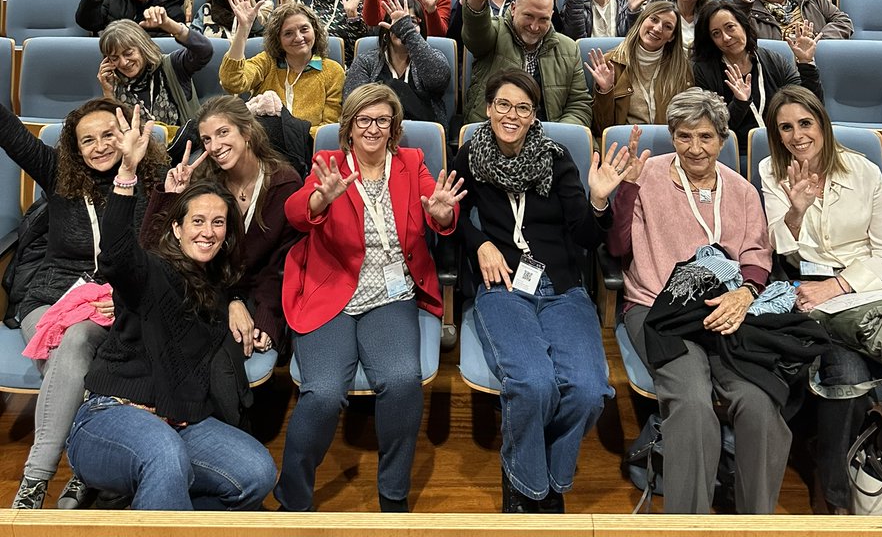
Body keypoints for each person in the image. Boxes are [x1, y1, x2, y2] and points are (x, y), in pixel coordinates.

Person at [66, 113, 277, 511]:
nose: (207, 231)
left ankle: (149, 504)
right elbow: (116, 254)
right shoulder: (152, 271)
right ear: (177, 229)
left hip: (178, 423)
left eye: (218, 223)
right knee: (164, 455)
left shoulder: (219, 291)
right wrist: (127, 171)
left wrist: (234, 300)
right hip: (108, 415)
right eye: (197, 221)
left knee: (257, 472)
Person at [609, 89, 799, 515]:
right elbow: (618, 245)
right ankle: (689, 523)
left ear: (723, 139)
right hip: (658, 309)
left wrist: (744, 293)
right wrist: (627, 189)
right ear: (672, 136)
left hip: (727, 308)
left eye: (706, 137)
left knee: (759, 405)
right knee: (693, 405)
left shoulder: (742, 190)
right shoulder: (648, 174)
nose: (695, 148)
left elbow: (756, 254)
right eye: (684, 136)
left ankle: (755, 523)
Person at [276, 83, 464, 512]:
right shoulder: (329, 163)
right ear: (349, 126)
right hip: (333, 290)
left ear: (395, 127)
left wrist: (442, 214)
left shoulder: (412, 162)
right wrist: (319, 199)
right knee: (322, 392)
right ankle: (293, 500)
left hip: (391, 293)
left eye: (382, 120)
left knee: (401, 382)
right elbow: (295, 211)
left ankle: (393, 496)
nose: (373, 128)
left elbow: (440, 210)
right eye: (364, 119)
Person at [452, 68, 615, 512]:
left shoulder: (555, 157)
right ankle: (526, 489)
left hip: (559, 284)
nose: (511, 114)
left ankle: (547, 477)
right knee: (533, 384)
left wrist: (598, 201)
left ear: (533, 115)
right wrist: (481, 242)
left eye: (522, 108)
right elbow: (455, 220)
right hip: (503, 283)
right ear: (488, 109)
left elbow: (585, 238)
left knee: (587, 389)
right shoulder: (469, 156)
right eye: (503, 105)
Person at [3, 98, 168, 510]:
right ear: (73, 149)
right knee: (77, 346)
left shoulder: (154, 181)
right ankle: (66, 475)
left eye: (108, 135)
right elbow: (9, 133)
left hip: (119, 300)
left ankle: (45, 480)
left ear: (127, 135)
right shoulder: (59, 174)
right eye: (87, 140)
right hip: (53, 297)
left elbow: (164, 253)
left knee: (80, 345)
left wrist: (123, 294)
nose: (99, 147)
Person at [760, 84, 882, 513]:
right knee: (846, 375)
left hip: (869, 289)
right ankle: (836, 495)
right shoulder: (771, 171)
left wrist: (842, 284)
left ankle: (879, 460)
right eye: (785, 127)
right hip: (807, 289)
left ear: (823, 123)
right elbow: (777, 247)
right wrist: (796, 208)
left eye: (805, 123)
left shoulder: (864, 171)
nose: (797, 135)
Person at [141, 94, 302, 359]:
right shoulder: (204, 182)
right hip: (206, 294)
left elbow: (280, 265)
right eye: (207, 139)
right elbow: (154, 252)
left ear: (247, 131)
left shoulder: (284, 183)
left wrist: (265, 316)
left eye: (223, 132)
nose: (215, 146)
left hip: (260, 294)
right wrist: (171, 197)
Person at [461, 0, 592, 126]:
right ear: (514, 9)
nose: (534, 26)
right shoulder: (496, 31)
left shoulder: (569, 49)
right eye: (529, 16)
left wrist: (555, 133)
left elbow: (579, 105)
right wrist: (475, 3)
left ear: (551, 15)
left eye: (543, 19)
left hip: (547, 138)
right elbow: (476, 34)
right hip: (494, 132)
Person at [691, 0, 823, 153]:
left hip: (784, 147)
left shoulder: (773, 60)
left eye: (730, 27)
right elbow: (714, 129)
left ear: (743, 26)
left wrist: (806, 64)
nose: (726, 37)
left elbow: (811, 107)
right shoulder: (705, 71)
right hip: (737, 152)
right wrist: (739, 103)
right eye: (716, 34)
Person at [219, 0, 344, 133]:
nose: (298, 38)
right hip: (263, 144)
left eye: (304, 29)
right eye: (288, 33)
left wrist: (290, 134)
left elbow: (327, 129)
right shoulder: (267, 61)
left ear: (315, 30)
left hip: (306, 147)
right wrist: (243, 29)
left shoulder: (333, 71)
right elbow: (232, 82)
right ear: (278, 39)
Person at [98, 18, 213, 147]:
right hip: (140, 157)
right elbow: (114, 134)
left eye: (128, 53)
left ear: (142, 47)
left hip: (186, 150)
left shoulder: (172, 66)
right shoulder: (113, 82)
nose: (123, 62)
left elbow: (205, 50)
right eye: (115, 58)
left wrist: (170, 25)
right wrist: (108, 93)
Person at [587, 0, 694, 135]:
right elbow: (601, 128)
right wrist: (605, 91)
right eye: (654, 20)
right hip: (625, 142)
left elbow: (688, 120)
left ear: (672, 37)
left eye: (668, 26)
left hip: (667, 143)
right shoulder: (610, 63)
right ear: (641, 21)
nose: (657, 28)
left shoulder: (681, 68)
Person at [344, 0, 452, 127]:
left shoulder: (434, 56)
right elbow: (353, 106)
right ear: (386, 28)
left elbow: (438, 81)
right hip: (375, 132)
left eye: (412, 21)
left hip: (423, 133)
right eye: (397, 21)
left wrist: (407, 31)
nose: (402, 26)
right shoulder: (366, 62)